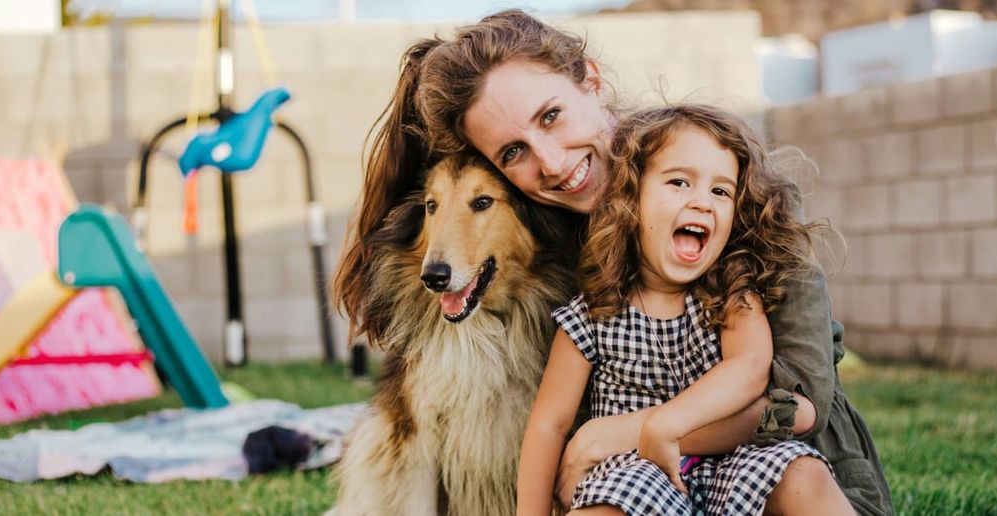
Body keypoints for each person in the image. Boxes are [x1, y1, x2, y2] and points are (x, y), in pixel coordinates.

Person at [334, 9, 893, 515]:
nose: (550, 163)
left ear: (591, 82)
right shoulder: (552, 240)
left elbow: (800, 407)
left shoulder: (725, 195)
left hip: (786, 473)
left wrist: (627, 432)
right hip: (632, 488)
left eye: (550, 117)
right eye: (513, 152)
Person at [517, 104, 853, 515]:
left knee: (802, 473)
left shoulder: (731, 292)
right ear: (631, 197)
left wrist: (667, 423)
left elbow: (749, 368)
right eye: (679, 182)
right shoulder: (592, 314)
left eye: (721, 191)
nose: (702, 203)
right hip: (633, 471)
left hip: (734, 462)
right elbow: (548, 425)